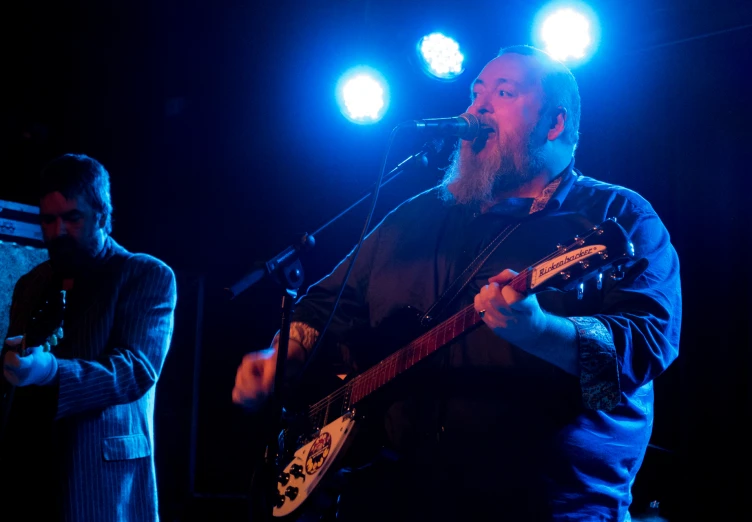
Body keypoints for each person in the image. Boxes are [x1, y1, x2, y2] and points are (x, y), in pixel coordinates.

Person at [233, 44, 681, 522]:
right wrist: (287, 351)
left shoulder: (619, 215)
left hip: (550, 506)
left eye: (503, 92)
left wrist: (540, 332)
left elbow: (647, 345)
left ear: (554, 124)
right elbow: (325, 305)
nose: (477, 107)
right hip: (397, 496)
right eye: (476, 92)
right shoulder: (415, 215)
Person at [0, 153, 177, 522]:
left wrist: (50, 371)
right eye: (48, 220)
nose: (58, 231)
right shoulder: (30, 283)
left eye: (72, 218)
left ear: (102, 215)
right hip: (26, 472)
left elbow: (136, 370)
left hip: (99, 480)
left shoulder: (145, 274)